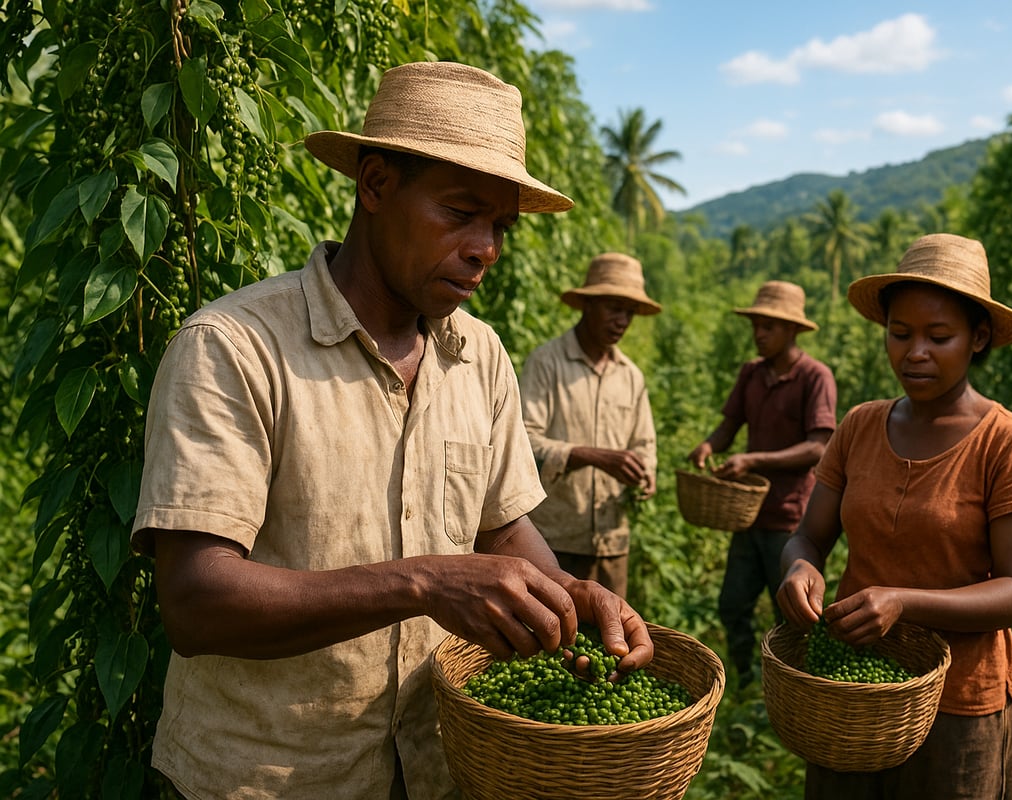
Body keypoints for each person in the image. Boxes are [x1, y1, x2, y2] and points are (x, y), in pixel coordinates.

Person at [130, 61, 654, 800]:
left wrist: (572, 594)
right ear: (374, 185)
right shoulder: (234, 347)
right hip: (267, 777)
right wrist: (422, 582)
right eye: (459, 213)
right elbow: (195, 600)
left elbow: (502, 532)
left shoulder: (479, 356)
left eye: (499, 226)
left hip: (435, 764)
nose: (486, 249)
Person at [776, 233, 1012, 799]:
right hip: (854, 693)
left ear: (978, 338)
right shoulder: (859, 426)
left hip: (958, 701)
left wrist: (903, 601)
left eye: (939, 336)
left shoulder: (1009, 443)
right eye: (899, 335)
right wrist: (799, 569)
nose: (914, 353)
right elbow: (809, 535)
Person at [687, 280, 837, 689]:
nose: (759, 334)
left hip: (790, 518)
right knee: (732, 604)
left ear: (792, 330)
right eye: (756, 325)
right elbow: (730, 425)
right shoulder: (752, 373)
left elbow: (818, 448)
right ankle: (746, 679)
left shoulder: (814, 377)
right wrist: (707, 445)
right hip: (749, 515)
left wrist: (753, 459)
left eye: (768, 326)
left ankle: (792, 686)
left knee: (789, 611)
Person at [519, 252, 660, 599]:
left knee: (611, 641)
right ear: (588, 305)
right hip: (552, 542)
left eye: (629, 312)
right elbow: (523, 443)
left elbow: (645, 445)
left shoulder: (630, 376)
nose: (622, 320)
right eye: (614, 308)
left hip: (611, 542)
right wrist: (593, 456)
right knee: (550, 639)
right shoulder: (547, 363)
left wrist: (645, 473)